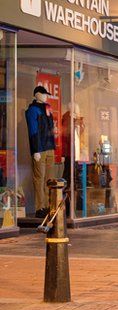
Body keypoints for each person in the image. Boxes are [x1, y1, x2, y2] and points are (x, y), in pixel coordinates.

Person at [26, 85, 56, 218]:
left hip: (50, 148)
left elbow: (51, 128)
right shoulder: (32, 110)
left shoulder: (48, 108)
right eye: (43, 94)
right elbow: (33, 131)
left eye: (46, 94)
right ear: (36, 95)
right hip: (40, 149)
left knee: (49, 180)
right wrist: (35, 150)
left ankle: (50, 206)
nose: (46, 96)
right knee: (39, 178)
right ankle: (40, 207)